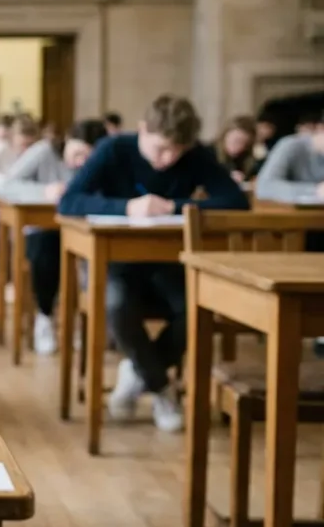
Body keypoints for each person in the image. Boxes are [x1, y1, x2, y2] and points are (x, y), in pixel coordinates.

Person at [58, 95, 248, 433]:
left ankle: (138, 371)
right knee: (116, 304)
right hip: (115, 263)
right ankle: (160, 385)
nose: (168, 158)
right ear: (143, 129)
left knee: (199, 307)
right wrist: (127, 208)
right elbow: (69, 201)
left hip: (167, 265)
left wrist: (176, 206)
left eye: (177, 151)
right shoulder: (113, 149)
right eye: (161, 148)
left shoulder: (196, 155)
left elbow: (236, 202)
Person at [0, 118, 108, 355]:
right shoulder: (43, 151)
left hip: (82, 230)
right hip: (41, 229)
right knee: (47, 249)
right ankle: (45, 316)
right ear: (67, 141)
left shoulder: (102, 162)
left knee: (99, 257)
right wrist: (44, 191)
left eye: (88, 158)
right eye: (78, 153)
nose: (81, 162)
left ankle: (89, 324)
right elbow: (7, 186)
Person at [254, 111, 324, 204]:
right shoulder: (291, 145)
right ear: (320, 128)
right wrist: (314, 190)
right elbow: (264, 187)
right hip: (292, 211)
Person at [215, 114, 259, 183]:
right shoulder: (209, 154)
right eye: (236, 140)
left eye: (245, 144)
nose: (239, 147)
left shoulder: (244, 159)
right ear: (225, 135)